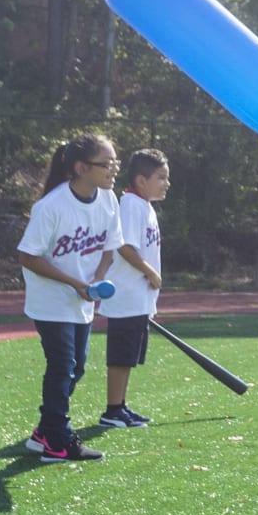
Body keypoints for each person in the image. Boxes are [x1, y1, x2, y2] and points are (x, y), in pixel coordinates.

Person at [16, 134, 123, 463]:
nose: (113, 170)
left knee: (76, 369)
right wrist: (74, 282)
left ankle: (44, 432)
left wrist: (96, 279)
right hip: (51, 300)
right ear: (80, 168)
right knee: (62, 367)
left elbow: (110, 247)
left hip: (82, 299)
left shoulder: (108, 199)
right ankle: (58, 440)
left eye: (115, 163)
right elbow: (28, 256)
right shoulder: (51, 206)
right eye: (106, 164)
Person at [95, 148, 169, 428]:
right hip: (125, 294)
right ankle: (112, 410)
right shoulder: (129, 205)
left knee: (129, 357)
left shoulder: (144, 206)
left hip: (140, 298)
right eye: (161, 177)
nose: (166, 183)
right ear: (141, 180)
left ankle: (121, 406)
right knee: (120, 356)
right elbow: (124, 245)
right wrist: (149, 271)